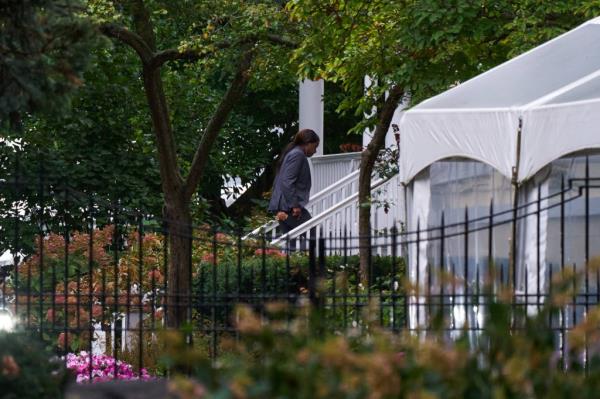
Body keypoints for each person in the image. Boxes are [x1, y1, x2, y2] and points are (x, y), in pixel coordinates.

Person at [268, 129, 320, 235]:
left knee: (291, 241)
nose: (315, 151)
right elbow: (287, 181)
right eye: (315, 147)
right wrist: (294, 205)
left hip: (282, 206)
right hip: (287, 207)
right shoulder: (297, 155)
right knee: (314, 235)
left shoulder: (292, 153)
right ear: (307, 144)